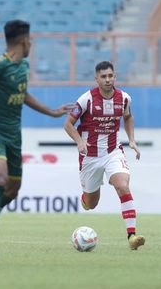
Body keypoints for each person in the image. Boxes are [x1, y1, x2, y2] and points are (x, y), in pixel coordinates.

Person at [0, 19, 70, 264]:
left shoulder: (22, 67)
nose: (31, 43)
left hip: (14, 136)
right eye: (30, 40)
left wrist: (51, 111)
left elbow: (22, 94)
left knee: (12, 190)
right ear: (23, 41)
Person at [63, 60, 146, 251]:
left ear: (115, 76)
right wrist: (79, 141)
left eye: (110, 76)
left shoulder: (124, 98)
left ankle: (132, 236)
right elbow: (68, 124)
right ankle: (85, 197)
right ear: (96, 79)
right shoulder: (86, 100)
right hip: (90, 156)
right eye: (103, 77)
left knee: (122, 186)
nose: (108, 80)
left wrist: (131, 140)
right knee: (91, 204)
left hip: (113, 151)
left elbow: (128, 117)